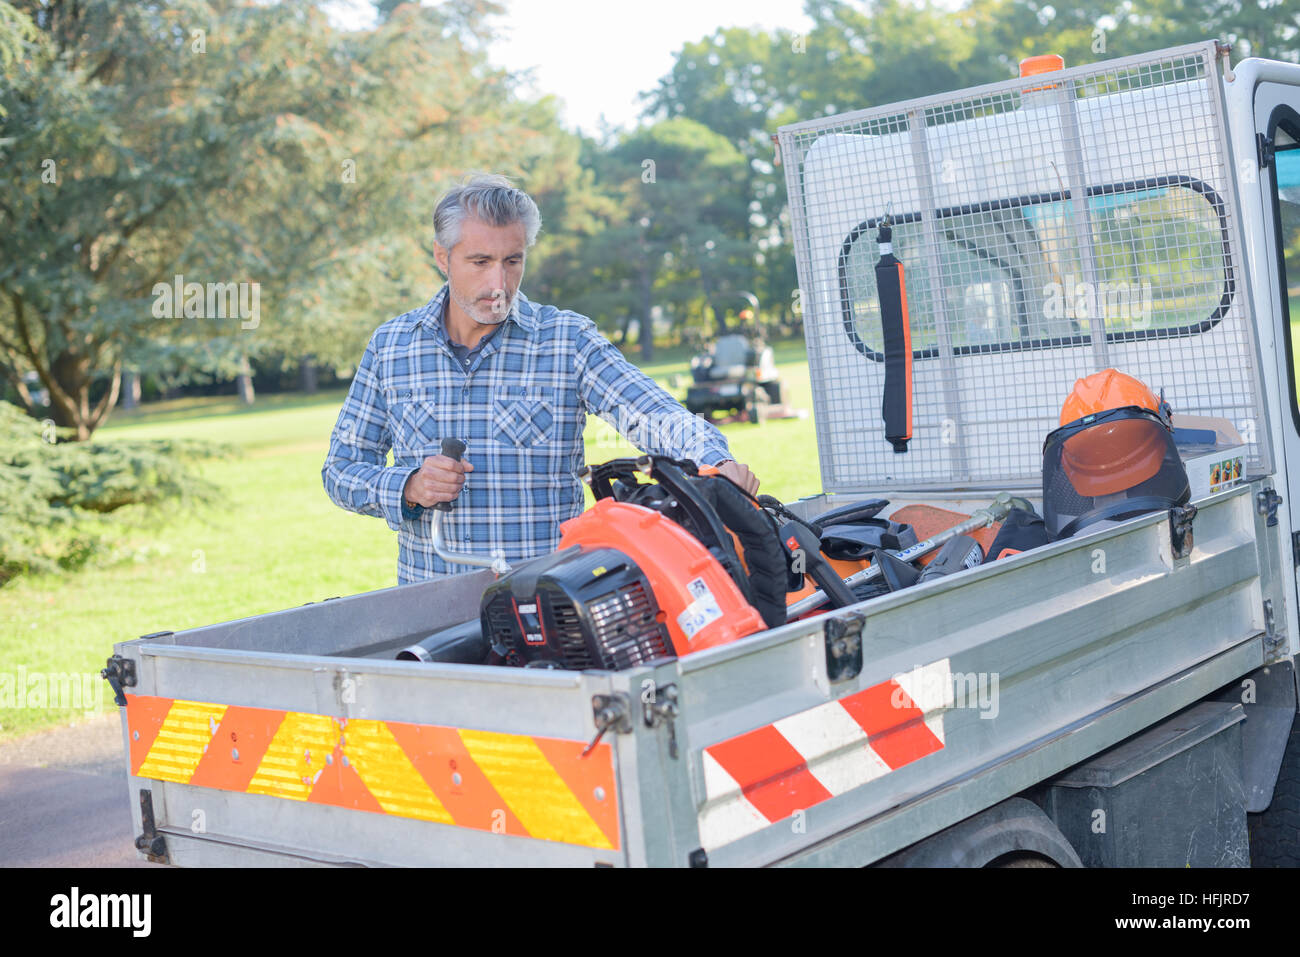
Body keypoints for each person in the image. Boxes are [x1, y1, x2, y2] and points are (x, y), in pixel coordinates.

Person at [322, 173, 760, 583]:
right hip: (429, 608)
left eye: (512, 261)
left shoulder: (566, 340)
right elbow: (341, 471)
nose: (499, 282)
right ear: (442, 257)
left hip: (544, 604)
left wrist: (715, 464)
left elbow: (655, 415)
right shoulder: (392, 345)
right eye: (480, 261)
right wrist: (410, 486)